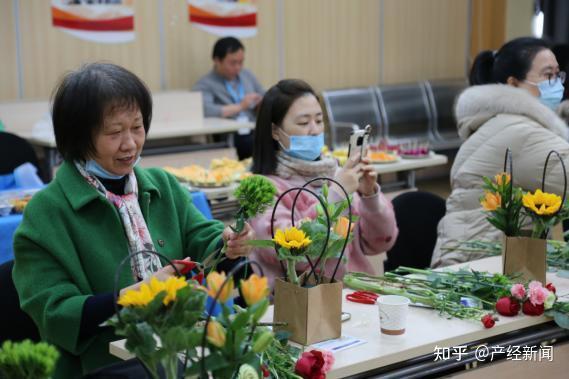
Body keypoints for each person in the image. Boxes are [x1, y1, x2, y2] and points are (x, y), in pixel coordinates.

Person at [12, 63, 254, 377]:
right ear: (78, 137)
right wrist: (136, 295)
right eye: (114, 132)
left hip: (184, 351)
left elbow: (203, 236)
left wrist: (229, 241)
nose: (130, 143)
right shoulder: (47, 212)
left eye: (137, 127)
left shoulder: (160, 185)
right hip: (105, 367)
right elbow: (53, 311)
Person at [431, 37, 569, 268]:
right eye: (548, 75)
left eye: (558, 74)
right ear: (513, 84)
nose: (557, 84)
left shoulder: (509, 121)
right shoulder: (519, 132)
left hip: (493, 260)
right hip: (475, 269)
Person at [248, 79, 398, 289]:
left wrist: (370, 195)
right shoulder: (262, 189)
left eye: (319, 121)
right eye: (303, 123)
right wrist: (336, 195)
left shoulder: (337, 174)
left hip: (355, 295)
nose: (314, 130)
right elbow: (292, 255)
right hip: (305, 305)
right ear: (275, 131)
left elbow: (380, 242)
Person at [192, 37, 265, 160]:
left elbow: (263, 93)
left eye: (241, 62)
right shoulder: (206, 83)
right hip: (232, 135)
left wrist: (261, 103)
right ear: (217, 60)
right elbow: (205, 109)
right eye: (232, 63)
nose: (238, 67)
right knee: (258, 144)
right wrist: (240, 107)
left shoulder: (247, 75)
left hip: (253, 127)